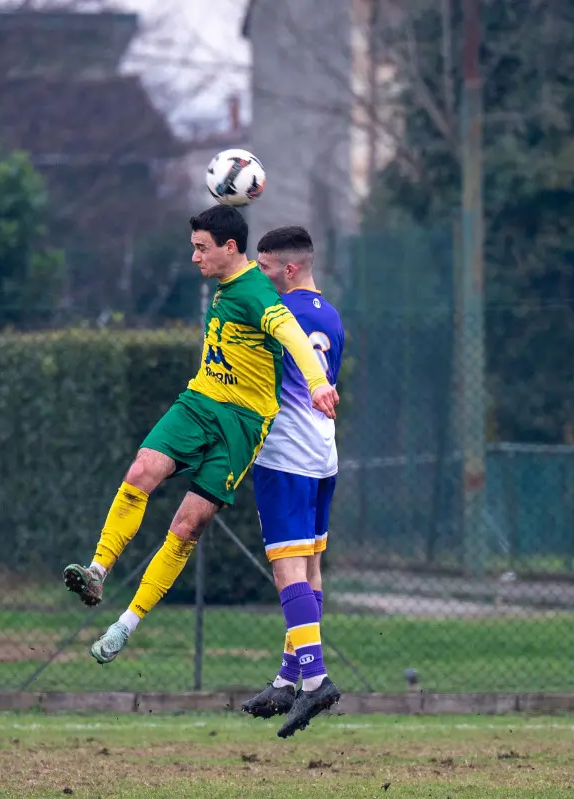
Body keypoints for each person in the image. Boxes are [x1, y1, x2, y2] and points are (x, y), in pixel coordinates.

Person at [61, 205, 340, 668]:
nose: (194, 258)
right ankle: (97, 570)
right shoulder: (231, 281)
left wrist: (316, 382)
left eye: (200, 248)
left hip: (243, 424)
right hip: (199, 401)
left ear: (229, 249)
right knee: (141, 470)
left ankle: (125, 625)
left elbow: (289, 332)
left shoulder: (255, 291)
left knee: (188, 526)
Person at [237, 225, 345, 738]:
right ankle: (287, 678)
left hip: (286, 456)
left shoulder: (282, 317)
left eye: (264, 268)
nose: (260, 276)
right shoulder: (330, 314)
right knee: (310, 565)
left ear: (289, 268)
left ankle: (314, 679)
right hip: (323, 455)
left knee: (287, 570)